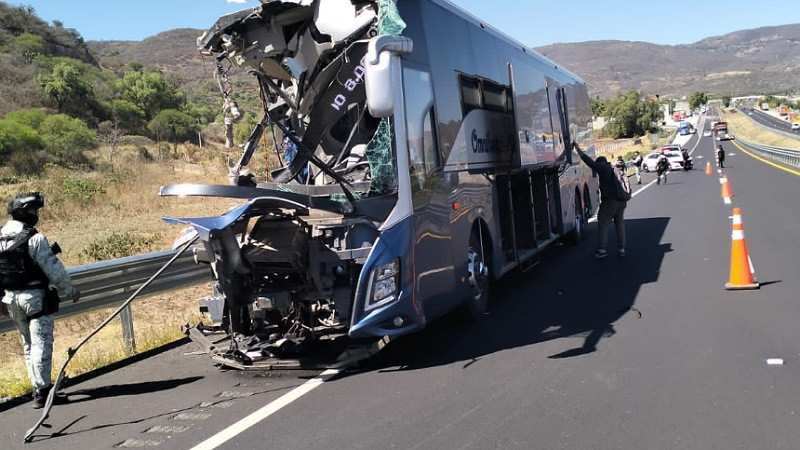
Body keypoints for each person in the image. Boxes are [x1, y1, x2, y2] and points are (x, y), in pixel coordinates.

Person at [0, 193, 79, 408]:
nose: (36, 215)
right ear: (24, 212)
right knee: (41, 344)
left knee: (28, 344)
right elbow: (55, 271)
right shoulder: (34, 238)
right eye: (33, 211)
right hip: (34, 298)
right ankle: (44, 392)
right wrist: (70, 291)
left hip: (10, 299)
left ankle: (37, 386)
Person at [572, 142, 627, 259]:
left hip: (609, 202)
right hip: (622, 201)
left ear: (599, 163)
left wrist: (578, 149)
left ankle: (602, 250)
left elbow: (588, 161)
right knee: (620, 224)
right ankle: (621, 249)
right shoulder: (614, 168)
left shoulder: (602, 168)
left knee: (602, 224)